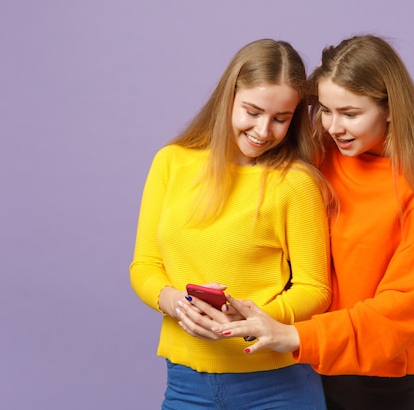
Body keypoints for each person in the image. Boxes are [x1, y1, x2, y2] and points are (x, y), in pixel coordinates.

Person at [177, 34, 414, 410]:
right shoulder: (320, 156)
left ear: (390, 109)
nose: (334, 127)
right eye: (325, 110)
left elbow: (401, 311)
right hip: (303, 372)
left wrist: (296, 335)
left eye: (350, 114)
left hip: (384, 384)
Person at [129, 38, 336, 410]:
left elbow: (315, 288)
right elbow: (144, 266)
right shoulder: (171, 163)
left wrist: (252, 320)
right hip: (185, 382)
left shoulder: (295, 182)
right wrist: (175, 302)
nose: (263, 130)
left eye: (281, 119)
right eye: (252, 111)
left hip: (277, 386)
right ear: (229, 96)